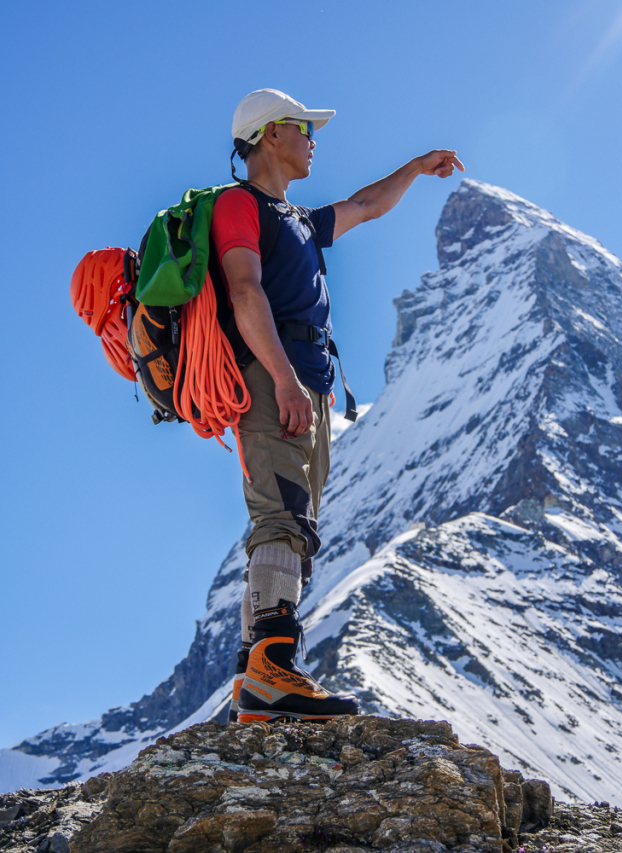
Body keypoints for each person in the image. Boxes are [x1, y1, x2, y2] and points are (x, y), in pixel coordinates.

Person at [212, 88, 464, 723]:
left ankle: (257, 681)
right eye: (304, 127)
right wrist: (283, 379)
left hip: (307, 381)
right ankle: (271, 673)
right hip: (278, 378)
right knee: (280, 515)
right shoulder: (238, 206)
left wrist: (414, 166)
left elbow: (365, 206)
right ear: (271, 135)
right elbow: (244, 292)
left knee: (294, 521)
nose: (313, 138)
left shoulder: (295, 219)